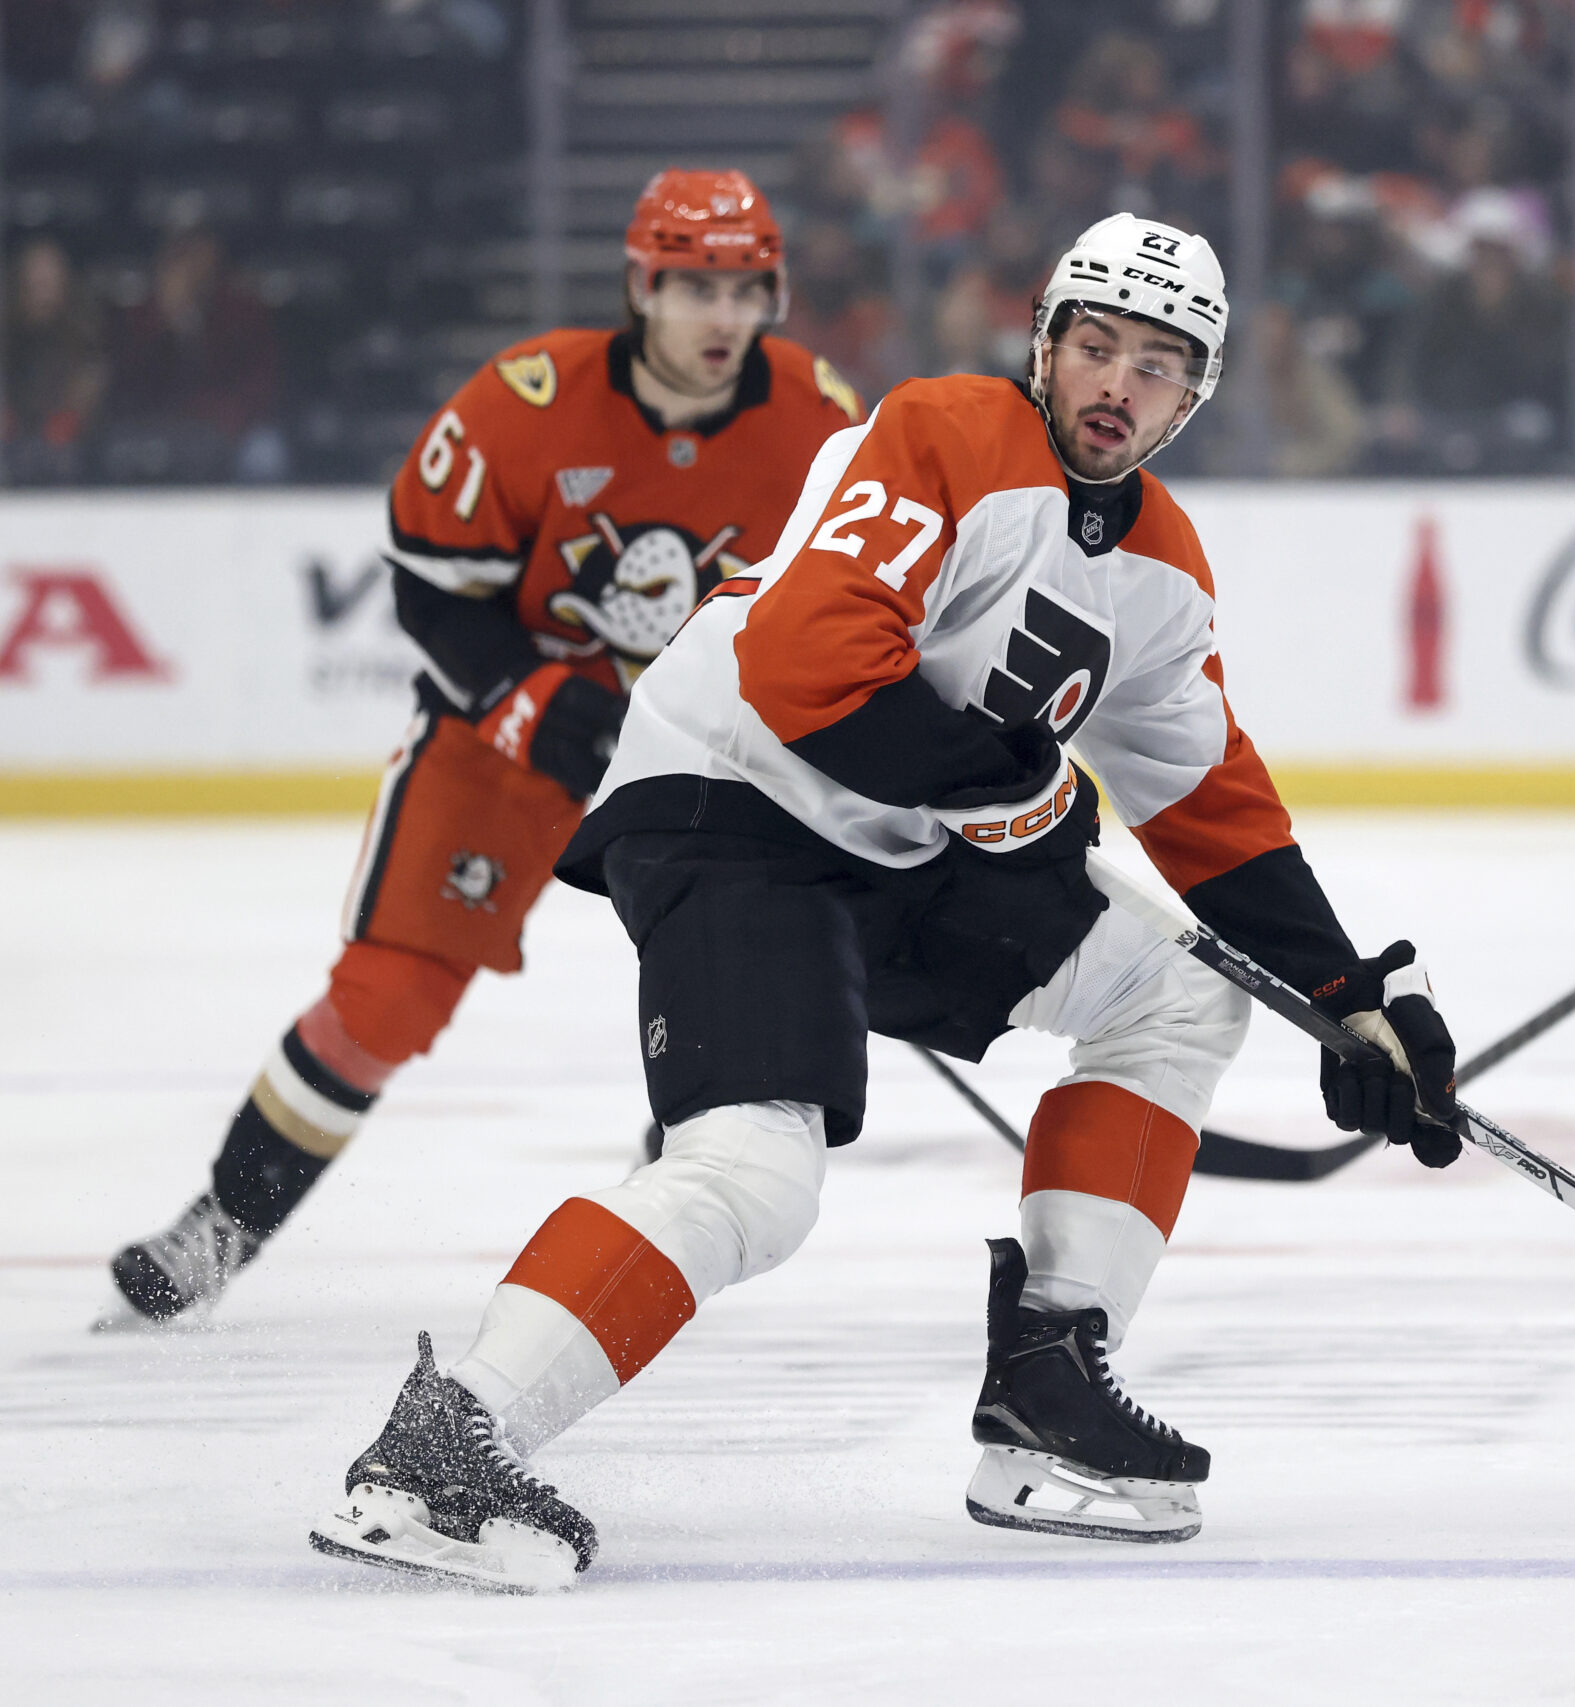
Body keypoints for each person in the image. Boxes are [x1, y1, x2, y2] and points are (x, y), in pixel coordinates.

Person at [308, 213, 1465, 1588]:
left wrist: (1350, 994)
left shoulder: (1163, 567)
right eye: (1094, 344)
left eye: (1158, 365)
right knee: (755, 1175)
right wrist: (1010, 786)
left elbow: (1207, 794)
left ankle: (1051, 1377)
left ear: (1198, 392)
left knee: (1179, 987)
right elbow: (810, 666)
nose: (1116, 385)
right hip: (736, 806)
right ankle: (450, 1436)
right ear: (1043, 337)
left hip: (907, 847)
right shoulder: (948, 431)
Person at [102, 171, 865, 1326]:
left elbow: (847, 604)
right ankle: (223, 1230)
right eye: (695, 287)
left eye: (747, 289)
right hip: (505, 743)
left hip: (701, 757)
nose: (723, 317)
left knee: (737, 1008)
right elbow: (428, 579)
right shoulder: (527, 400)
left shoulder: (821, 418)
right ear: (641, 285)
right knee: (384, 1000)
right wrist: (524, 700)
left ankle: (658, 1233)